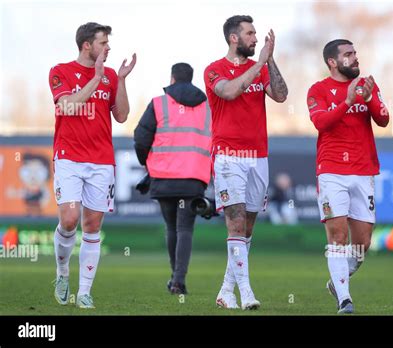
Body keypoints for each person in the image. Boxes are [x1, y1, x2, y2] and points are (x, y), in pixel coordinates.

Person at [48, 22, 136, 309]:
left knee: (92, 224)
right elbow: (67, 107)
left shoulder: (110, 75)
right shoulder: (60, 71)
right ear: (87, 45)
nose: (108, 47)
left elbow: (121, 116)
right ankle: (62, 273)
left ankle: (85, 291)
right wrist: (95, 79)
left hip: (101, 160)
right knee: (70, 218)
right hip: (69, 156)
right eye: (103, 42)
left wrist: (120, 81)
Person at [204, 15, 288, 310]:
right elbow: (228, 91)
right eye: (250, 33)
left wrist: (270, 60)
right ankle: (246, 293)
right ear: (234, 38)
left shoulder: (261, 68)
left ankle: (226, 291)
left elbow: (280, 95)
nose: (256, 38)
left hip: (258, 156)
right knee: (235, 225)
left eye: (256, 34)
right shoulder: (214, 70)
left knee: (248, 229)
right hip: (229, 156)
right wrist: (258, 64)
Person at [306, 39, 389, 314]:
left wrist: (367, 98)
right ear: (332, 61)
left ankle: (338, 280)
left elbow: (383, 119)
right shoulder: (318, 90)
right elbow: (321, 123)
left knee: (363, 243)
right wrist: (348, 100)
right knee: (338, 236)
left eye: (355, 53)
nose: (355, 58)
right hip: (331, 170)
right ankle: (345, 299)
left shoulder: (368, 85)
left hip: (363, 170)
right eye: (348, 54)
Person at [134, 63, 211, 295]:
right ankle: (178, 279)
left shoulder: (159, 103)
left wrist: (146, 162)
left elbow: (141, 137)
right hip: (193, 178)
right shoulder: (208, 107)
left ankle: (175, 277)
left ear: (172, 78)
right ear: (192, 78)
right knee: (185, 228)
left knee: (171, 228)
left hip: (164, 176)